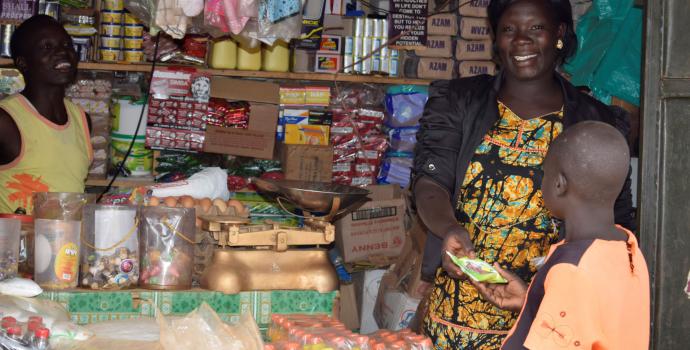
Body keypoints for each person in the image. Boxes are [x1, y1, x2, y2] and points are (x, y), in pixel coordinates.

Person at [411, 0, 636, 347]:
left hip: (549, 325)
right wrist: (449, 228)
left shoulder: (593, 122)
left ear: (559, 33)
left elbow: (614, 225)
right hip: (454, 320)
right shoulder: (458, 100)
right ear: (496, 38)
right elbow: (430, 182)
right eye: (509, 29)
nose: (521, 41)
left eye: (536, 29)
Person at [471, 121, 650, 349]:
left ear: (559, 184)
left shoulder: (572, 268)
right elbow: (594, 320)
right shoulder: (628, 247)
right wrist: (532, 301)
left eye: (544, 173)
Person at [0, 15, 92, 214]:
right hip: (17, 243)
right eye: (47, 47)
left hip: (67, 243)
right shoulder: (6, 120)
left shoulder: (82, 119)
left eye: (67, 44)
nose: (63, 52)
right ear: (23, 63)